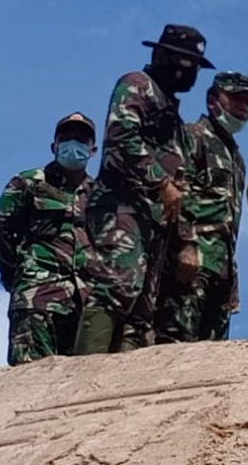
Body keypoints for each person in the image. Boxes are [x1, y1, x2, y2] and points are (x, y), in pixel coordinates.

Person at [74, 24, 214, 353]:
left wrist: (186, 240)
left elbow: (183, 186)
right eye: (185, 62)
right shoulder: (137, 86)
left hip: (156, 223)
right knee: (116, 286)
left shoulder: (176, 120)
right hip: (121, 207)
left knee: (141, 309)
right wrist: (160, 182)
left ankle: (121, 383)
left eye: (195, 65)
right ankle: (80, 373)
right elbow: (122, 138)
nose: (190, 72)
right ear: (162, 55)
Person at [0, 112, 97, 365]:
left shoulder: (100, 193)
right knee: (31, 378)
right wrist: (17, 274)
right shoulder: (28, 183)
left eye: (81, 138)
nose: (73, 143)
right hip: (37, 299)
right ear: (54, 146)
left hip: (85, 305)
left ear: (93, 149)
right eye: (66, 137)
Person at [155, 71, 248, 343]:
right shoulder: (191, 136)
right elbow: (173, 195)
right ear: (212, 100)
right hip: (190, 262)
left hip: (221, 269)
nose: (242, 106)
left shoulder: (236, 156)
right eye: (235, 98)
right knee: (175, 345)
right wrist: (185, 244)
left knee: (210, 352)